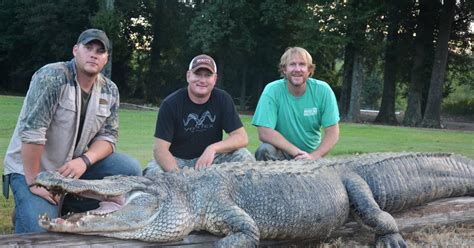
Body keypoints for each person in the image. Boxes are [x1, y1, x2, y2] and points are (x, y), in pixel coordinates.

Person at [3, 29, 142, 233]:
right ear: (75, 50)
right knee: (40, 231)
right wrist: (34, 181)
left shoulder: (109, 90)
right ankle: (29, 204)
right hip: (33, 168)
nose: (93, 54)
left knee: (129, 169)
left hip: (71, 168)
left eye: (100, 51)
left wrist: (84, 161)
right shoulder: (52, 77)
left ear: (106, 59)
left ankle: (68, 202)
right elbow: (32, 134)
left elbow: (108, 137)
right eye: (88, 47)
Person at [144, 54, 254, 174]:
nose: (202, 80)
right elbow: (160, 149)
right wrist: (178, 175)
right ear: (188, 76)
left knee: (244, 156)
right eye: (197, 74)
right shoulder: (170, 104)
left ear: (215, 79)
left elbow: (241, 137)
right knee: (152, 171)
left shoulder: (223, 99)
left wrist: (212, 148)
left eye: (208, 75)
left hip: (211, 160)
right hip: (178, 160)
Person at [252, 47, 340, 161]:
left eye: (302, 64)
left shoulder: (323, 91)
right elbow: (264, 132)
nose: (297, 69)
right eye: (292, 64)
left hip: (312, 155)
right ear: (284, 69)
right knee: (264, 150)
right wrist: (297, 153)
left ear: (309, 70)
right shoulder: (272, 90)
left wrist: (313, 156)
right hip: (281, 152)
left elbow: (333, 132)